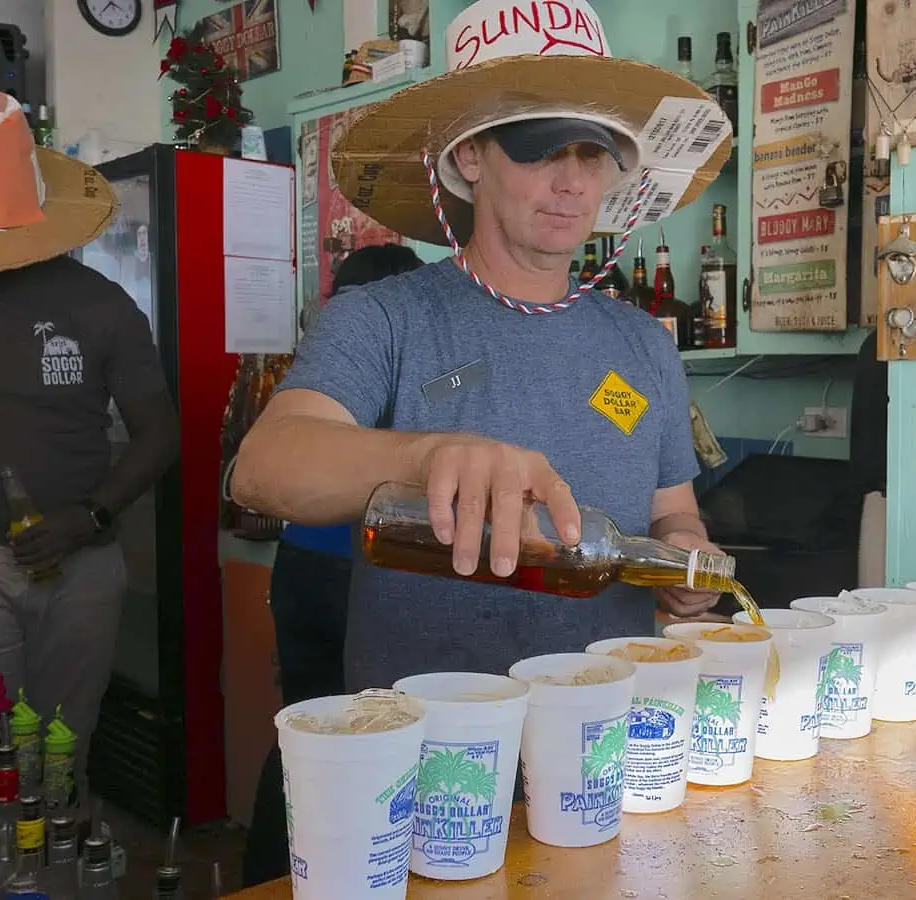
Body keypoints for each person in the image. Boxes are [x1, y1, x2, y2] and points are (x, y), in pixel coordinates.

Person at [231, 0, 733, 693]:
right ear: (469, 155)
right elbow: (263, 468)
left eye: (593, 153)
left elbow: (672, 510)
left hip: (602, 741)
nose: (572, 181)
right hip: (427, 751)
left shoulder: (642, 345)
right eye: (542, 148)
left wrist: (682, 556)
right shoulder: (385, 319)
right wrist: (427, 455)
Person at [0, 84, 179, 814]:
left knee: (63, 743)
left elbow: (160, 431)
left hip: (81, 561)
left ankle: (51, 875)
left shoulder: (98, 304)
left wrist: (91, 517)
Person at [241, 242, 423, 887]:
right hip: (351, 572)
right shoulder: (390, 343)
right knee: (346, 741)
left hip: (299, 564)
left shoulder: (327, 355)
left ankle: (271, 875)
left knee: (307, 728)